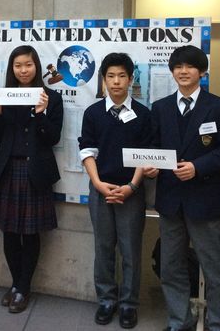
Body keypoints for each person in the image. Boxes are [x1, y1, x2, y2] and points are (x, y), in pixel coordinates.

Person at [146, 45, 220, 331]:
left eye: (190, 66)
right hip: (170, 199)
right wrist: (151, 165)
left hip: (204, 197)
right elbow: (154, 146)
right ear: (172, 71)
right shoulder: (160, 107)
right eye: (178, 67)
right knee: (171, 266)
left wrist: (198, 167)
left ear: (202, 71)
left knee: (214, 267)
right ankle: (180, 321)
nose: (183, 71)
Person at [0, 45, 63, 313]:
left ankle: (23, 287)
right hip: (8, 170)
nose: (23, 70)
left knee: (30, 233)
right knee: (9, 232)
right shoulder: (5, 96)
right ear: (12, 68)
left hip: (35, 172)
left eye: (28, 65)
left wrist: (40, 113)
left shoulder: (51, 97)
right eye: (18, 65)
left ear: (37, 66)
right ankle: (15, 284)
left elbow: (53, 138)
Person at [78, 52, 152, 329]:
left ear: (131, 79)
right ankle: (106, 300)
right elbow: (87, 150)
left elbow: (146, 154)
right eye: (111, 76)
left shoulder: (144, 114)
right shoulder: (93, 113)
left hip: (131, 191)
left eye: (122, 76)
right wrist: (98, 184)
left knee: (131, 250)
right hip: (101, 190)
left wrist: (132, 186)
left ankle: (129, 304)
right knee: (103, 247)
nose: (116, 81)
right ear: (104, 80)